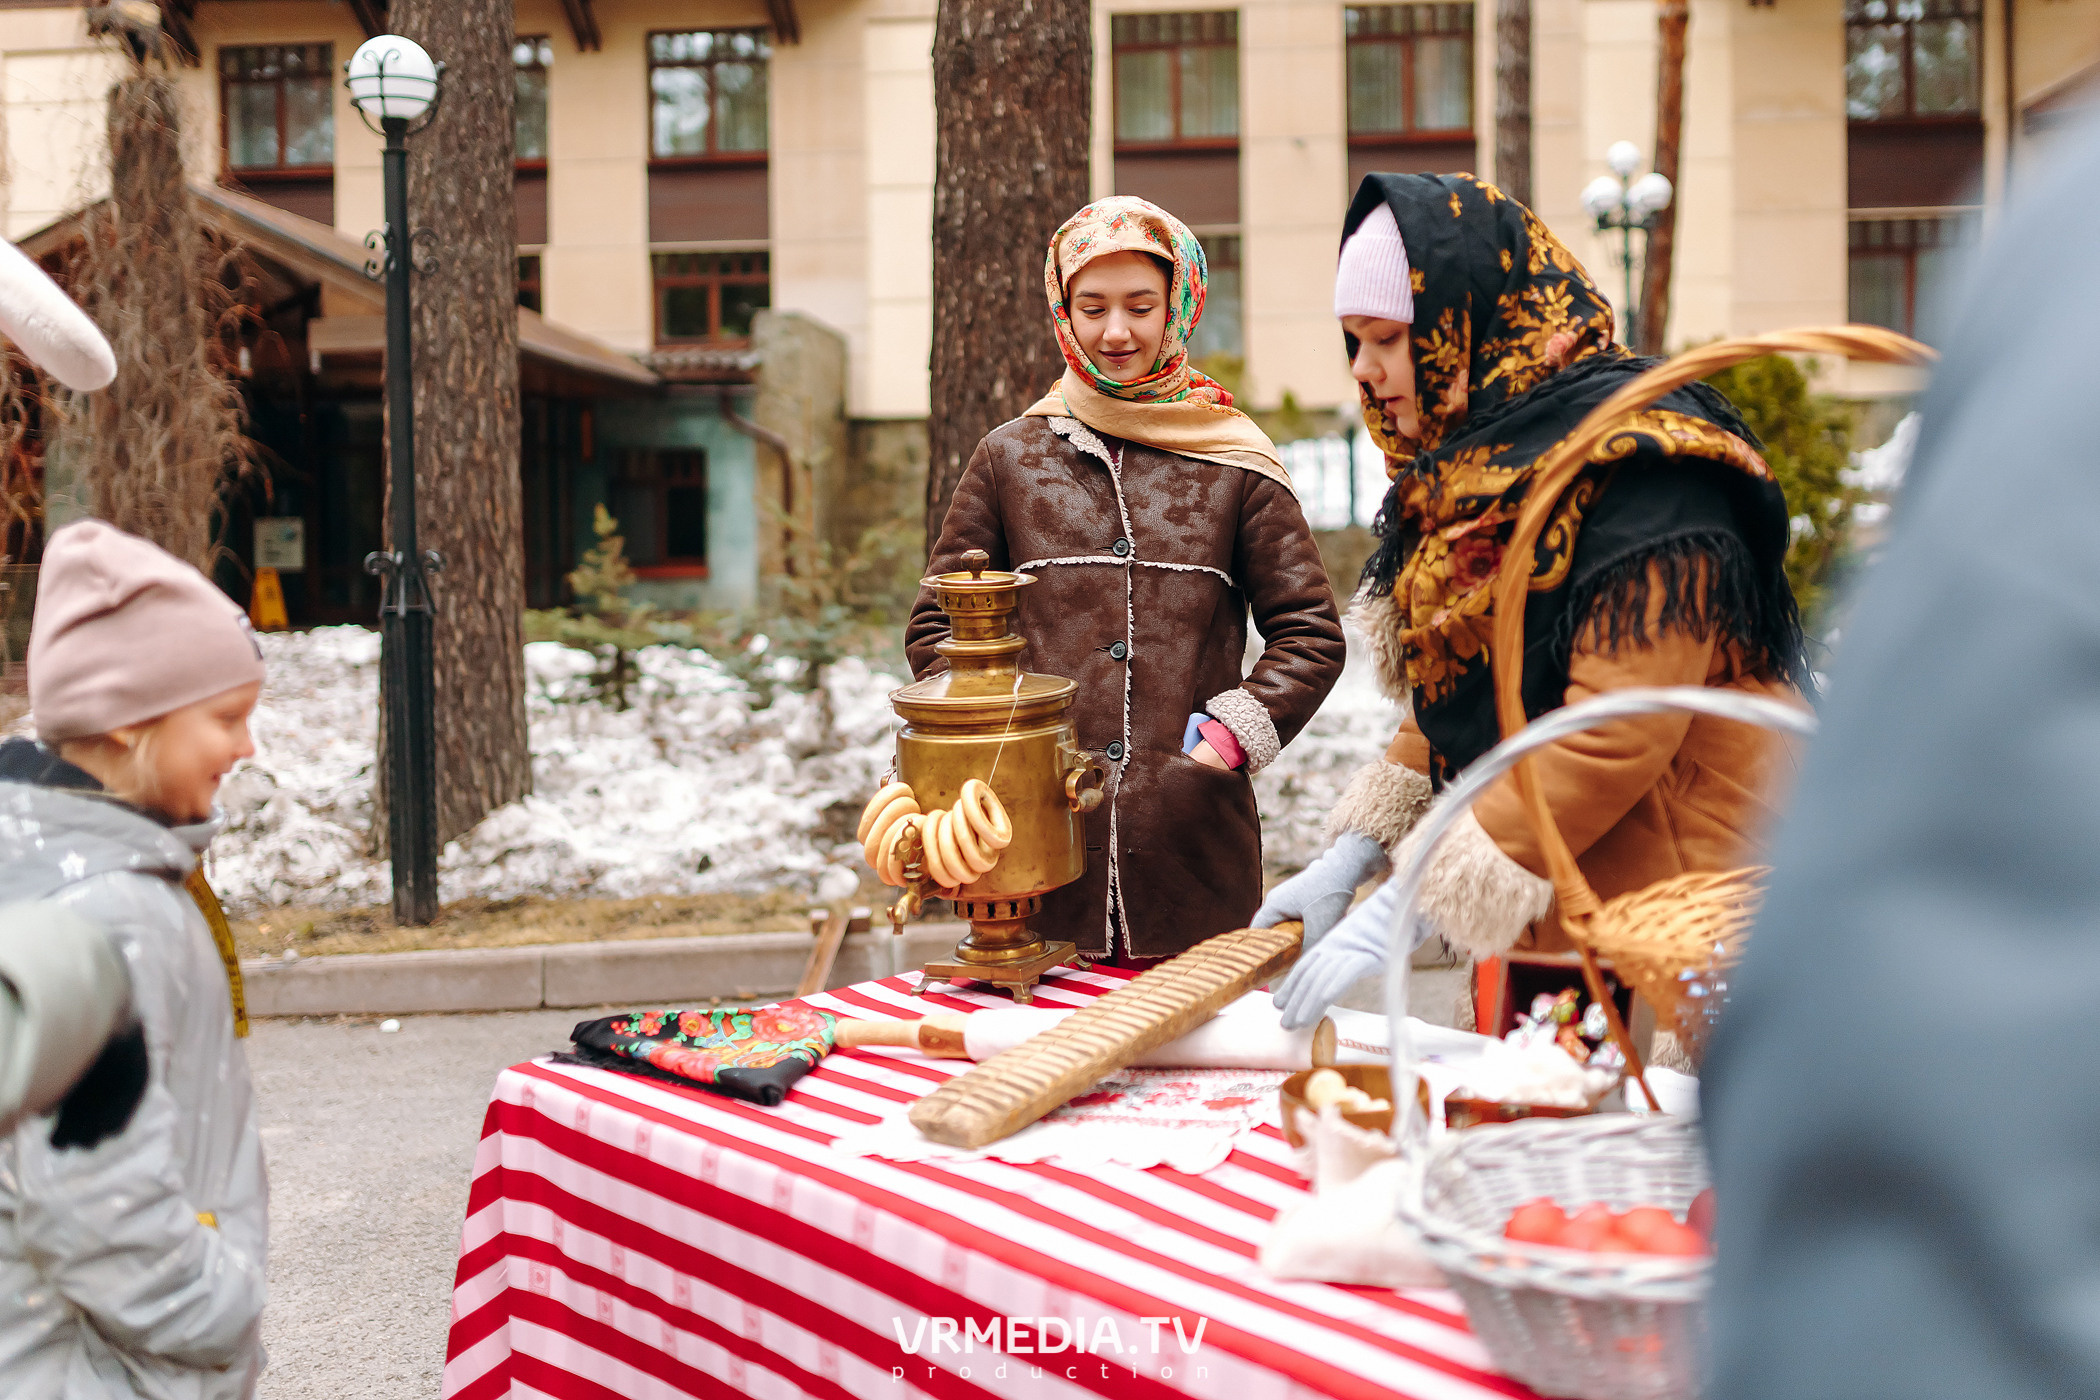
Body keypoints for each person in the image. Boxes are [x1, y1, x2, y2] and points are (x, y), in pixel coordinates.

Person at [1702, 121, 2100, 1398]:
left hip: (1646, 866)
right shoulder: (1439, 491)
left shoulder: (1632, 471)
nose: (1375, 369)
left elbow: (1919, 1020)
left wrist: (1461, 862)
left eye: (1392, 335)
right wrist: (1382, 827)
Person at [1261, 172, 1805, 1028]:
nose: (1364, 370)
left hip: (1697, 890)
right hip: (1566, 879)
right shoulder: (1485, 468)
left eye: (1389, 338)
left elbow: (1615, 728)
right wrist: (1360, 846)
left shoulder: (1650, 470)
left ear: (1463, 323)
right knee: (1544, 1130)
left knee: (1672, 1142)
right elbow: (1481, 684)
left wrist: (1407, 906)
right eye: (1352, 341)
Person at [907, 196, 1345, 963]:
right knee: (1040, 1067)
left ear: (1179, 307)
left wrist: (1225, 743)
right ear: (1062, 311)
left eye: (1141, 307)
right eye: (1092, 307)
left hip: (1191, 843)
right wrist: (991, 755)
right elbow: (937, 629)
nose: (1117, 332)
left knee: (1197, 1067)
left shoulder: (1235, 461)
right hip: (1030, 847)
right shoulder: (1011, 458)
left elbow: (1309, 633)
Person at [0, 518, 269, 1398]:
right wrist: (221, 1311)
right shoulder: (115, 913)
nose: (245, 747)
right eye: (225, 719)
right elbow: (91, 1202)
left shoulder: (55, 873)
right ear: (126, 726)